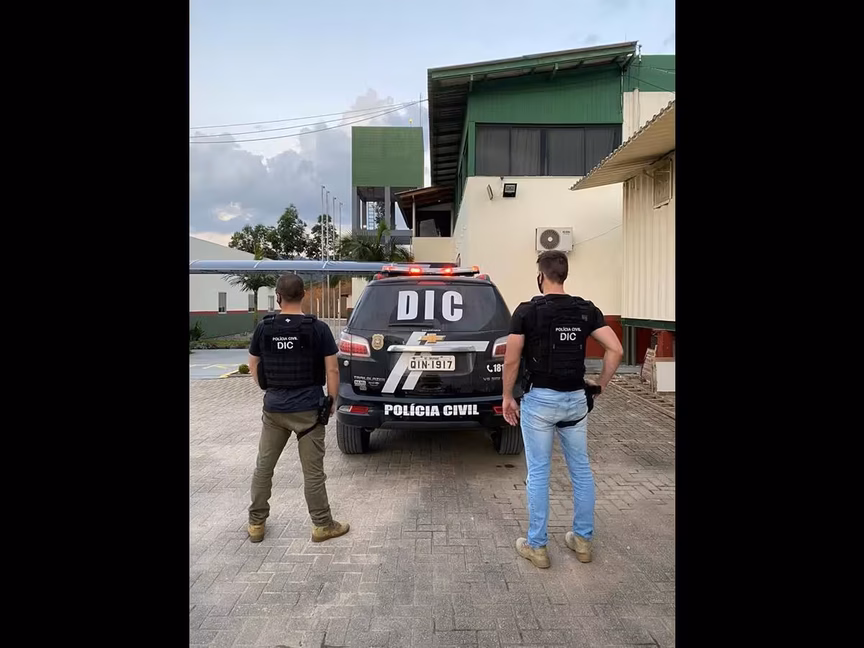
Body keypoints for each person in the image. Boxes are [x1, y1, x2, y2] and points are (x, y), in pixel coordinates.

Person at [501, 250, 623, 569]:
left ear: (541, 277)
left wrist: (507, 396)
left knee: (539, 472)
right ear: (564, 275)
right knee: (580, 470)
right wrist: (601, 383)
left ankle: (537, 546)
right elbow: (616, 349)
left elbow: (511, 359)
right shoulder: (586, 310)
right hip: (575, 402)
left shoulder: (526, 311)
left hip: (540, 402)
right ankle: (582, 541)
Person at [245, 273, 349, 544]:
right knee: (313, 473)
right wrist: (331, 400)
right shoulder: (318, 328)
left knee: (264, 467)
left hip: (274, 411)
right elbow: (332, 369)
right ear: (304, 295)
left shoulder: (264, 328)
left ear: (278, 297)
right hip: (309, 413)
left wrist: (268, 388)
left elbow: (253, 364)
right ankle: (322, 526)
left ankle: (256, 524)